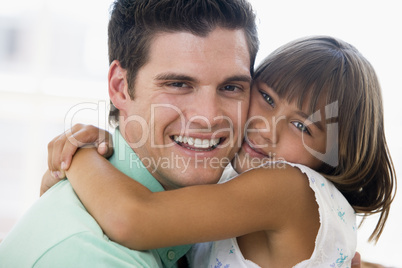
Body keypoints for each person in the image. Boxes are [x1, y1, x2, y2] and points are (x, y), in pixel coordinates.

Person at [43, 36, 395, 267]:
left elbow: (133, 218)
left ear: (336, 153)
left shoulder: (287, 186)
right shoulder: (238, 180)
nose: (266, 127)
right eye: (267, 98)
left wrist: (81, 153)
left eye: (302, 127)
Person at [0, 0, 259, 267]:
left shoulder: (235, 202)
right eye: (178, 84)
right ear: (120, 87)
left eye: (231, 87)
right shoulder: (93, 255)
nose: (208, 117)